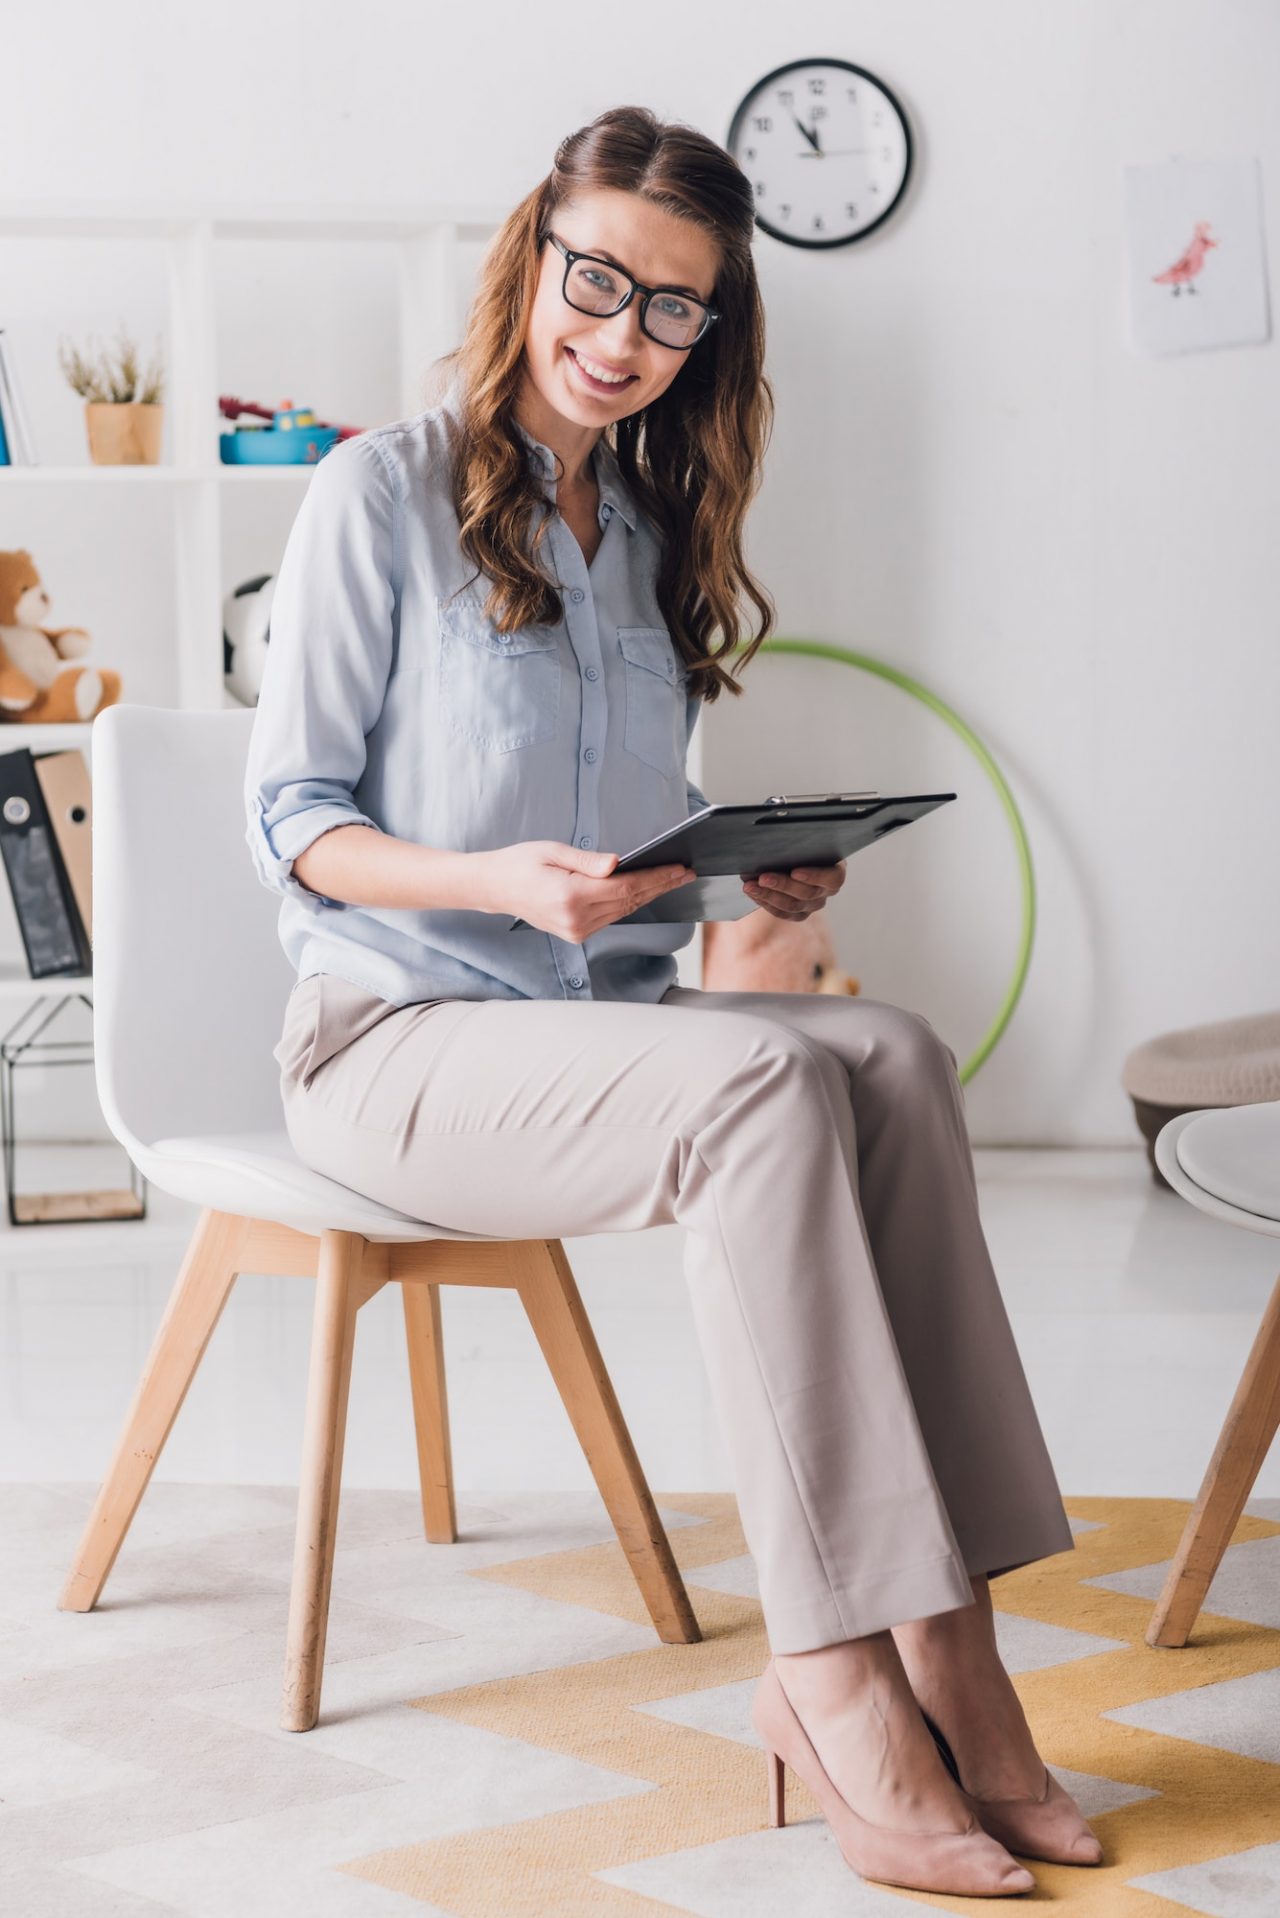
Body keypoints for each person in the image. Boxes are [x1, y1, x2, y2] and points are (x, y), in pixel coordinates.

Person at [244, 104, 1101, 1899]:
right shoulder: (378, 491)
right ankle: (839, 1664)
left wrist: (741, 870)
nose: (622, 331)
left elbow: (625, 852)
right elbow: (296, 824)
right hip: (392, 1041)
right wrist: (497, 880)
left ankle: (951, 1629)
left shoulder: (641, 527)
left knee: (886, 1048)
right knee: (763, 1094)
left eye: (675, 309)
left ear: (713, 333)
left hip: (594, 1032)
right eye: (599, 280)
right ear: (534, 256)